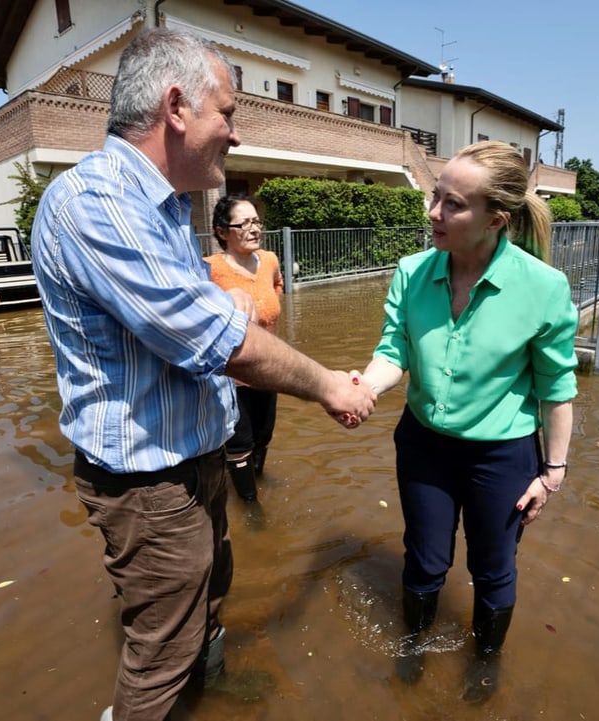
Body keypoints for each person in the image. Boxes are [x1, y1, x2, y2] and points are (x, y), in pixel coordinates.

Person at [30, 28, 376, 721]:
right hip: (148, 485)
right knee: (156, 659)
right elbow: (224, 343)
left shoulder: (163, 210)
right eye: (229, 112)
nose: (236, 134)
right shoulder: (95, 204)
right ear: (177, 106)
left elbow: (194, 313)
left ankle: (207, 691)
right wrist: (332, 385)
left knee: (210, 594)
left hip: (195, 460)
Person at [356, 140, 578, 703]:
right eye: (435, 195)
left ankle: (485, 667)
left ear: (495, 220)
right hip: (424, 446)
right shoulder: (411, 272)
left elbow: (556, 391)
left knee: (494, 567)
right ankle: (413, 656)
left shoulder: (543, 288)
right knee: (424, 559)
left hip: (502, 456)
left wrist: (552, 473)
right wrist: (361, 388)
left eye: (452, 204)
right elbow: (393, 352)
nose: (433, 212)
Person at [206, 195, 283, 502]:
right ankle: (251, 509)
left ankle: (258, 477)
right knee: (240, 443)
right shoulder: (209, 270)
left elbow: (276, 288)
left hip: (269, 369)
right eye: (245, 223)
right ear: (223, 232)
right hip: (231, 376)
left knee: (264, 436)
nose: (254, 229)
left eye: (256, 221)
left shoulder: (270, 261)